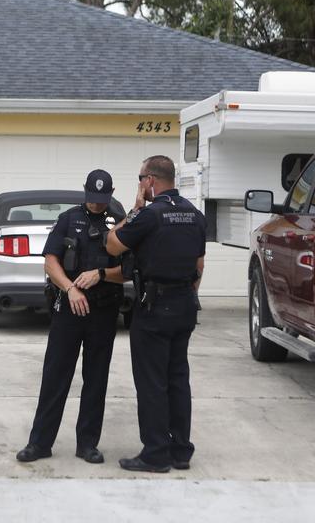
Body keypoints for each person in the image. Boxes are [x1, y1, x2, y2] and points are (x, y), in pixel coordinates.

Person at [16, 169, 127, 465]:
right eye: (92, 199)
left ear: (111, 193)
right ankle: (39, 443)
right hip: (69, 310)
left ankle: (87, 444)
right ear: (85, 192)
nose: (97, 205)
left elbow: (129, 270)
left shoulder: (119, 222)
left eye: (102, 199)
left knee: (96, 378)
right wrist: (70, 289)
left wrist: (102, 274)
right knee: (55, 376)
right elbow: (50, 261)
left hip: (103, 311)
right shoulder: (68, 219)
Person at [105, 155, 206, 473]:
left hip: (154, 306)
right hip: (185, 305)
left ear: (150, 180)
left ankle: (155, 453)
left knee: (152, 382)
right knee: (178, 379)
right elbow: (199, 265)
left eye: (140, 178)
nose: (139, 184)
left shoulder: (149, 215)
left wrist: (135, 207)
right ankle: (180, 451)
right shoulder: (195, 215)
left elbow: (112, 245)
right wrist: (188, 295)